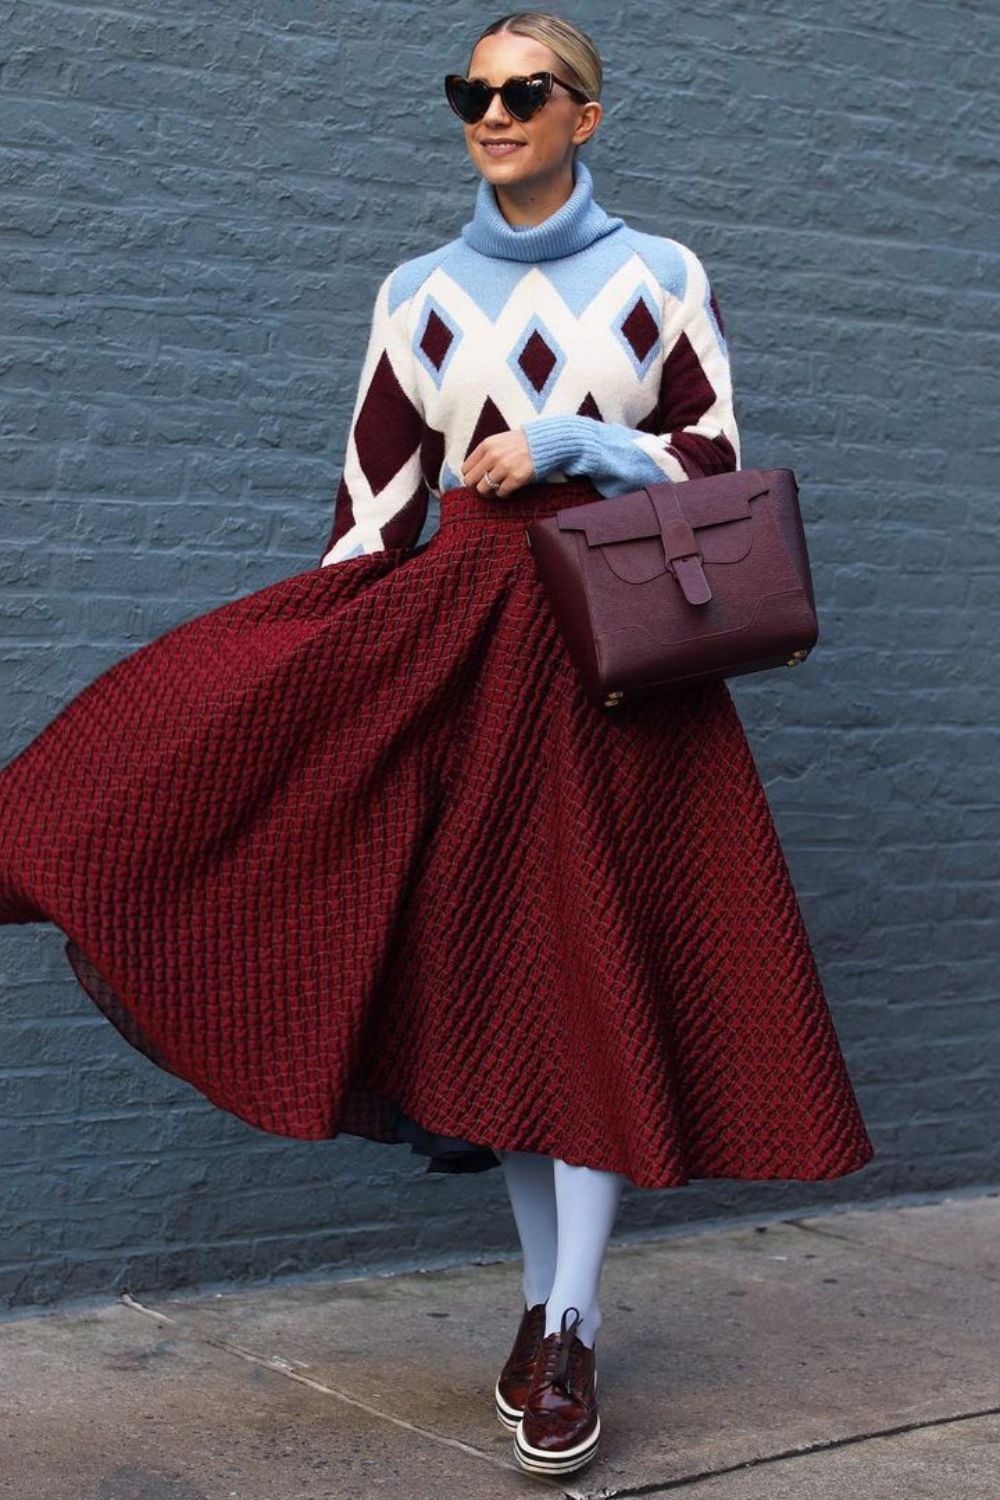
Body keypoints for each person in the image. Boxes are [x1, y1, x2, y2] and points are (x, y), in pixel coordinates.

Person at [0, 9, 875, 1483]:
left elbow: (721, 470)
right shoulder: (414, 291)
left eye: (525, 90)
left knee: (587, 978)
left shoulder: (662, 276)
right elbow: (369, 516)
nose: (493, 110)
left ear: (586, 114)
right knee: (513, 993)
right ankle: (546, 1307)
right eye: (472, 89)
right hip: (465, 658)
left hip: (612, 670)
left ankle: (570, 1328)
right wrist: (301, 694)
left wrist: (576, 446)